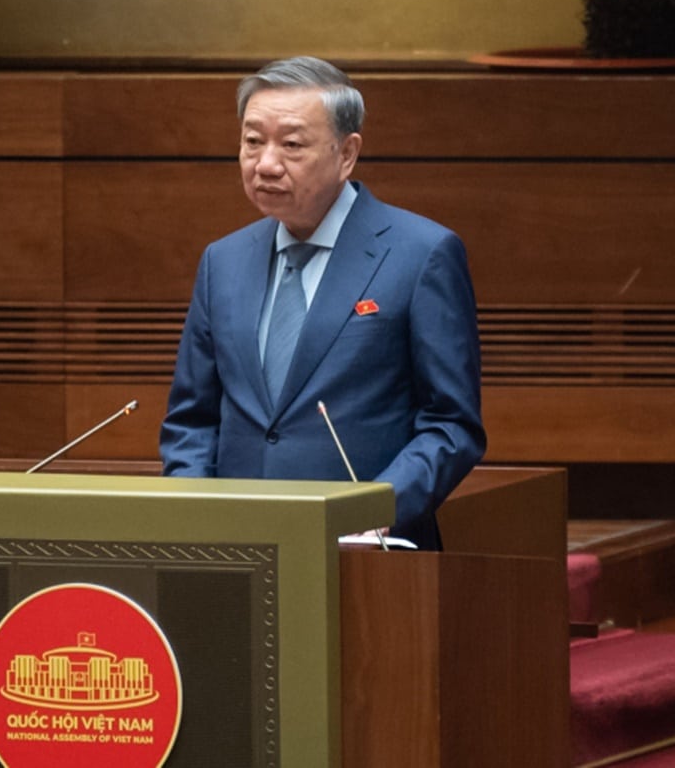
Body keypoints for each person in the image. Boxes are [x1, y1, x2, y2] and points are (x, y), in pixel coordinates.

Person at [159, 56, 485, 550]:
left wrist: (378, 509)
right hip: (238, 551)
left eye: (291, 145)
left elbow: (451, 424)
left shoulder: (421, 254)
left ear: (346, 153)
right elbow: (192, 420)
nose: (266, 163)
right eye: (252, 141)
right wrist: (196, 516)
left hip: (365, 553)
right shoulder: (222, 261)